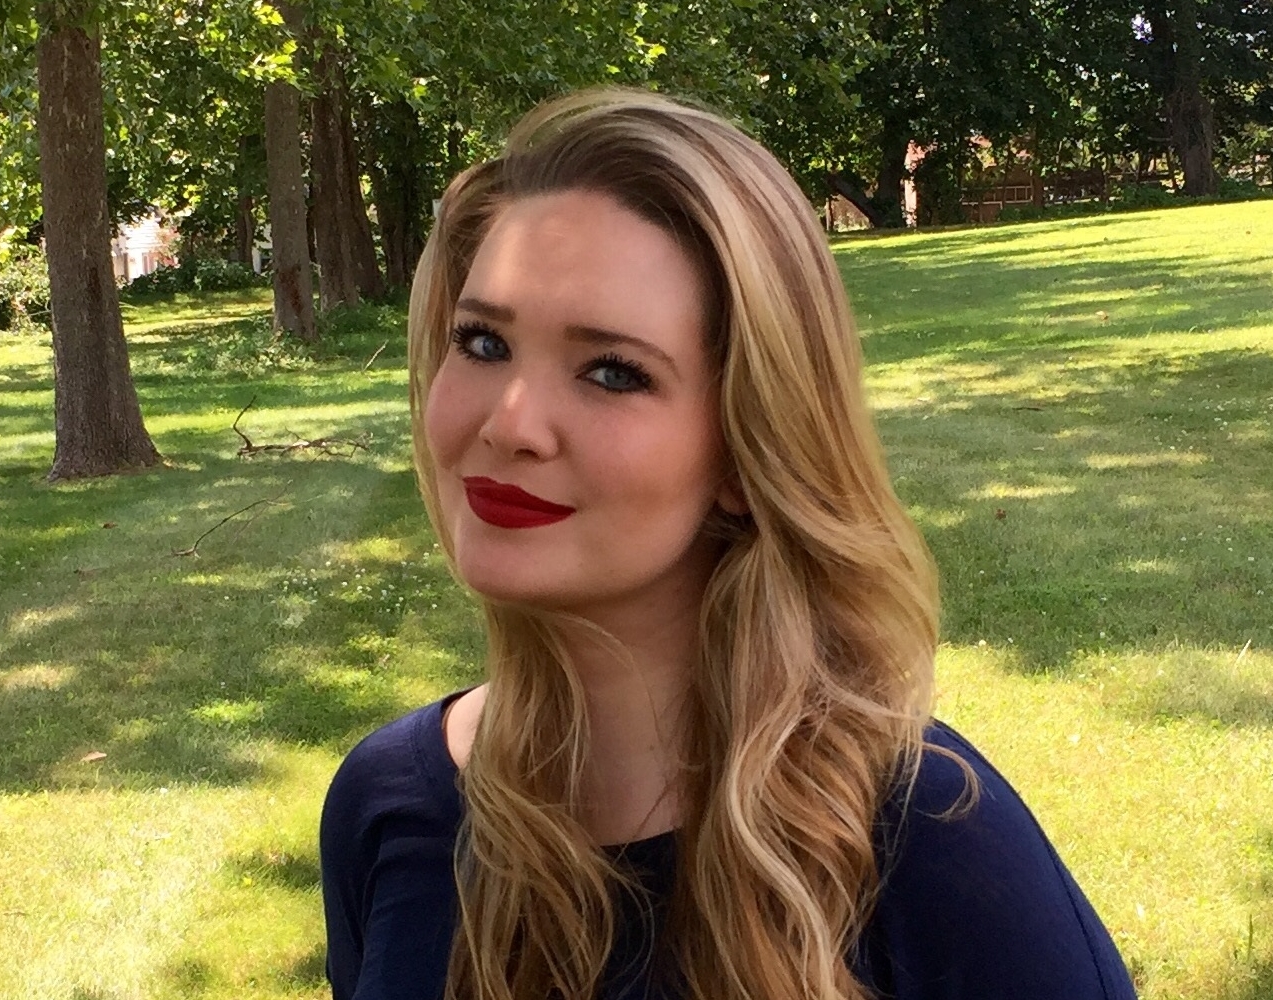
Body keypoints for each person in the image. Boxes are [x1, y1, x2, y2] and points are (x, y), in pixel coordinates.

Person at [320, 88, 1138, 1000]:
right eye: (482, 343)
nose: (509, 423)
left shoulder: (928, 842)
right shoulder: (386, 807)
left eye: (612, 372)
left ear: (748, 449)